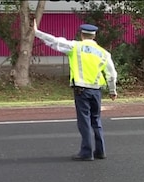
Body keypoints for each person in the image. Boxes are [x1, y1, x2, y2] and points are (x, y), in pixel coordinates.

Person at [33, 19, 118, 161]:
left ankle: (86, 152)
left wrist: (37, 33)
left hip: (81, 89)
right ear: (94, 36)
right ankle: (100, 151)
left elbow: (55, 41)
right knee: (96, 120)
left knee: (84, 121)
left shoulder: (75, 47)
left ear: (82, 35)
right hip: (96, 90)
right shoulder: (104, 53)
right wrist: (112, 90)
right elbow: (111, 74)